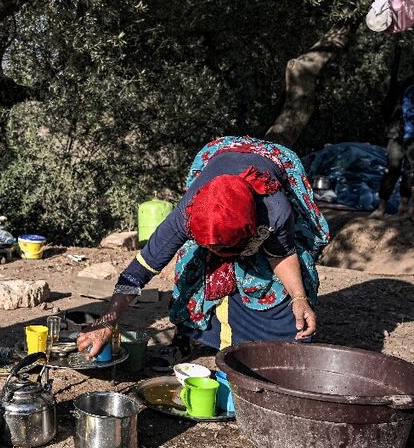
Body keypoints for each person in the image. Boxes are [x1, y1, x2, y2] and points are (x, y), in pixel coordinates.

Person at [77, 137, 331, 368]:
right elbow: (140, 270)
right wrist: (107, 321)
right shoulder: (186, 214)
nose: (221, 254)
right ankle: (184, 338)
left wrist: (299, 297)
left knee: (275, 291)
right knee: (193, 269)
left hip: (268, 166)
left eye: (227, 248)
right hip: (218, 158)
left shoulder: (274, 208)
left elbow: (282, 253)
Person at [371, 80, 414, 220]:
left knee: (410, 172)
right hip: (396, 133)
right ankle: (381, 208)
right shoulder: (405, 84)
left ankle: (402, 211)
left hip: (412, 137)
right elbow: (387, 107)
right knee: (392, 169)